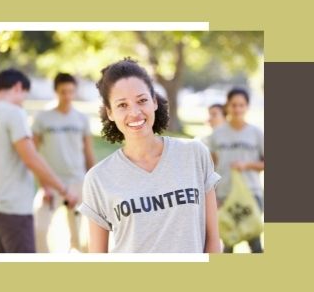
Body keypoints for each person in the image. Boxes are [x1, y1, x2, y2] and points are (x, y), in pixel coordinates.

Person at [80, 58, 221, 253]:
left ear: (154, 101)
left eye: (142, 100)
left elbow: (213, 240)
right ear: (110, 112)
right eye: (122, 105)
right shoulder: (98, 179)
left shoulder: (195, 154)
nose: (135, 112)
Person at [0, 68, 79, 253]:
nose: (23, 101)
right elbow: (31, 157)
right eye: (24, 95)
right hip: (13, 209)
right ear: (18, 87)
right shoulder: (14, 113)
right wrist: (64, 190)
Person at [32, 73, 96, 253]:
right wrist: (43, 185)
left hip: (78, 181)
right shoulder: (42, 118)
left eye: (70, 92)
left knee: (82, 238)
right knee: (39, 229)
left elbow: (88, 152)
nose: (67, 96)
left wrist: (93, 182)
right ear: (55, 92)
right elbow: (33, 154)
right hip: (51, 183)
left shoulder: (82, 119)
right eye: (63, 92)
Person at [208, 87, 265, 253]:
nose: (237, 109)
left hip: (251, 194)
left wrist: (246, 165)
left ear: (247, 106)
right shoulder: (217, 134)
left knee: (254, 240)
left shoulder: (256, 133)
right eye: (234, 105)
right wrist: (214, 196)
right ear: (228, 106)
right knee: (228, 241)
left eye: (241, 105)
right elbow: (211, 167)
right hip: (224, 194)